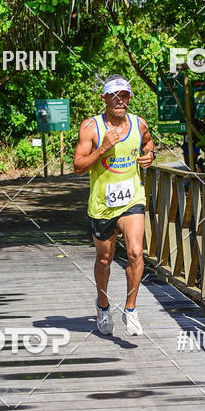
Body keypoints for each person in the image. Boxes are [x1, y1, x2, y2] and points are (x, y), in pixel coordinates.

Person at [73, 75, 155, 336]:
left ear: (130, 98)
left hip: (132, 199)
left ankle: (130, 309)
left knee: (135, 252)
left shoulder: (138, 123)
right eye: (114, 95)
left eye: (125, 95)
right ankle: (103, 305)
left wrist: (150, 155)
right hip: (102, 205)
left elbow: (149, 143)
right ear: (104, 99)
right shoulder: (91, 128)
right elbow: (77, 167)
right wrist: (102, 149)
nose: (121, 100)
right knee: (104, 259)